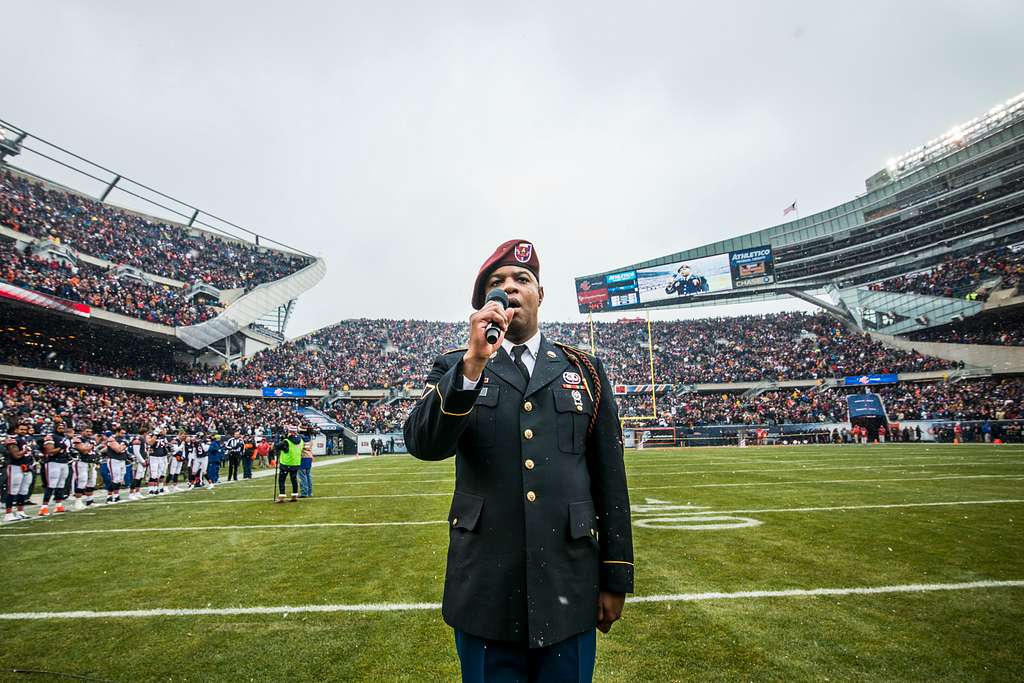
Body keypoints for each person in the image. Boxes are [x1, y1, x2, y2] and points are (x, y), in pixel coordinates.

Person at [404, 239, 633, 682]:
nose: (510, 287)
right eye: (497, 282)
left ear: (540, 295)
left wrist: (615, 576)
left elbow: (610, 479)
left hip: (568, 585)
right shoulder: (456, 366)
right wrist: (471, 366)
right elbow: (423, 442)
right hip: (486, 593)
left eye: (521, 279)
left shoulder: (584, 370)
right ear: (483, 304)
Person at [4, 421, 36, 522]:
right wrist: (25, 450)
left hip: (27, 467)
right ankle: (8, 514)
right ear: (16, 430)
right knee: (13, 490)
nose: (23, 431)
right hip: (15, 466)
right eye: (21, 429)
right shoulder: (12, 440)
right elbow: (16, 455)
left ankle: (20, 511)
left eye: (25, 429)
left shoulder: (27, 439)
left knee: (24, 490)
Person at [274, 425, 303, 503]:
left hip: (286, 463)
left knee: (281, 480)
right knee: (294, 479)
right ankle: (294, 495)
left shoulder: (286, 441)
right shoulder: (301, 440)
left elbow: (277, 446)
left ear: (290, 432)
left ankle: (282, 496)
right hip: (296, 463)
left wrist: (277, 438)